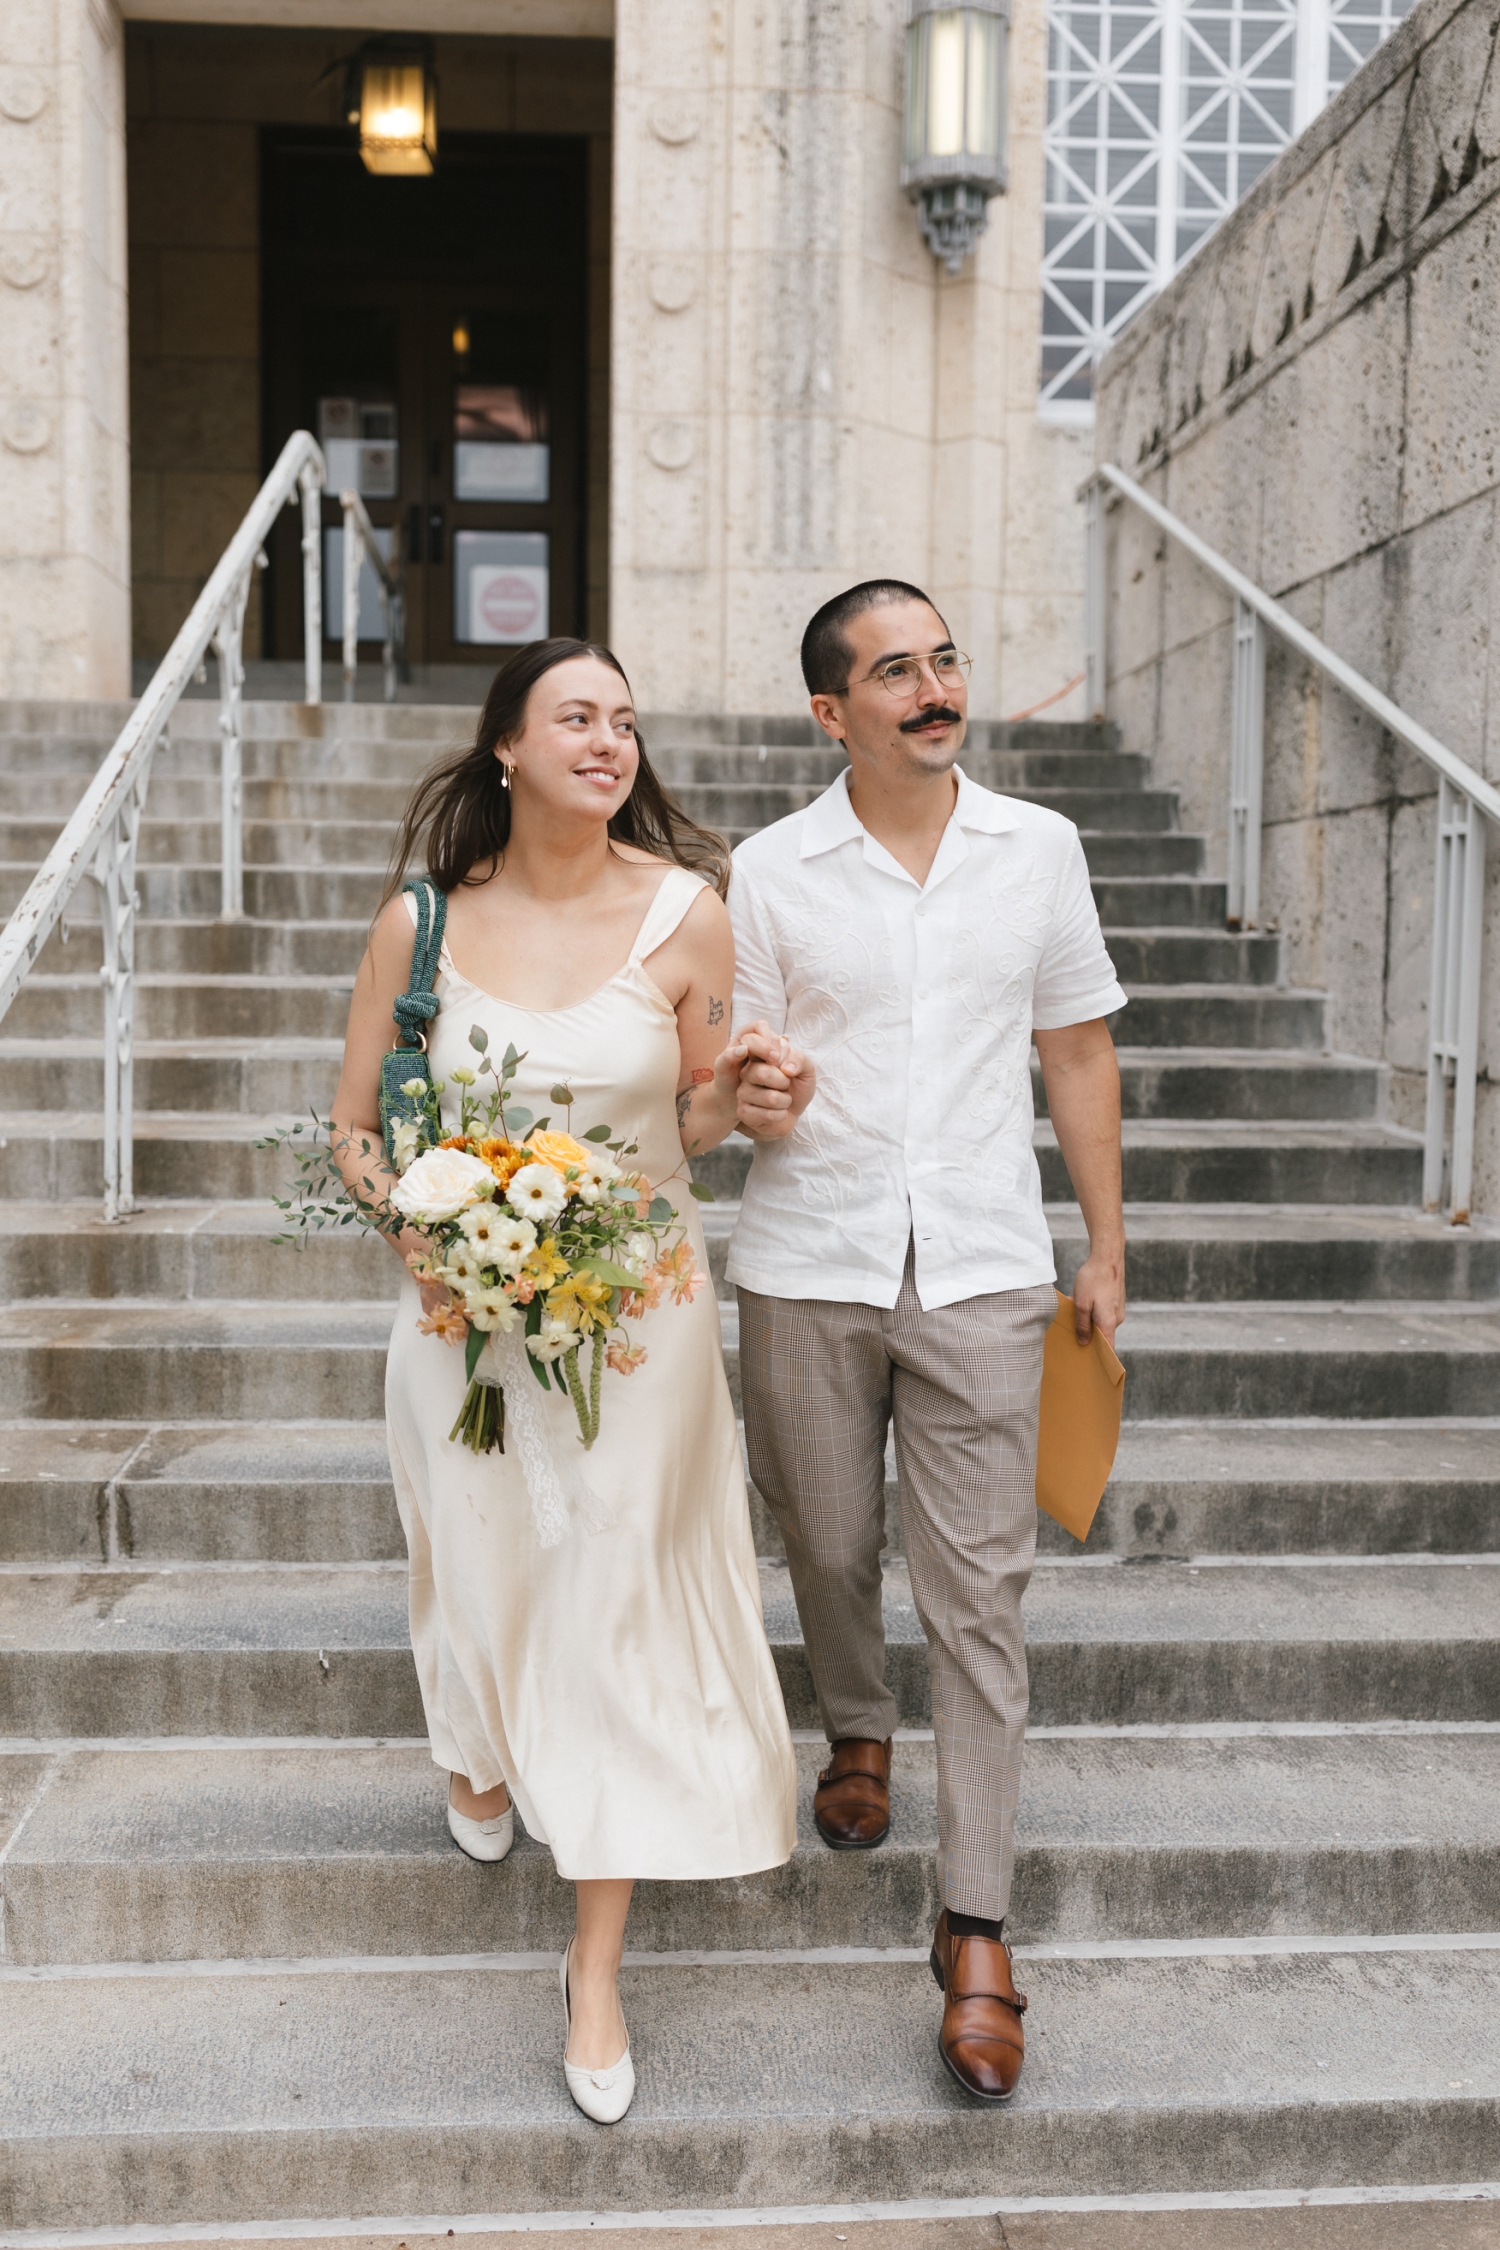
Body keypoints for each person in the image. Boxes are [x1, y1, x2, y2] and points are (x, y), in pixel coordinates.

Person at [330, 638, 802, 2125]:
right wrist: (415, 1224)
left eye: (624, 721)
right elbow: (351, 1127)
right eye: (576, 717)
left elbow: (705, 1110)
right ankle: (476, 1748)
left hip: (638, 1326)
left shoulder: (687, 916)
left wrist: (754, 1096)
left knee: (609, 1607)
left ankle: (593, 1966)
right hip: (458, 1322)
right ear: (505, 753)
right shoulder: (421, 922)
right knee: (472, 1571)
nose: (610, 740)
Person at [727, 580, 1127, 2105]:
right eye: (896, 670)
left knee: (982, 1598)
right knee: (827, 1544)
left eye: (945, 657)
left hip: (978, 1265)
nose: (934, 686)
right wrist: (753, 1096)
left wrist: (1104, 1238)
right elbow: (738, 1068)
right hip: (811, 1259)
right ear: (834, 713)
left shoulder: (1040, 851)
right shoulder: (768, 872)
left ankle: (975, 1933)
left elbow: (1076, 1047)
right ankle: (853, 1724)